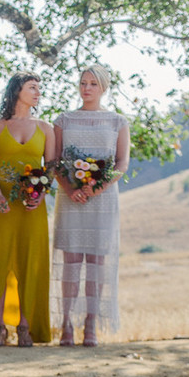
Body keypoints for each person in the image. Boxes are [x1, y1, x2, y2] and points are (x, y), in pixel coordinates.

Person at [0, 72, 54, 347]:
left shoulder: (46, 128)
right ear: (17, 91)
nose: (38, 92)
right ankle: (0, 327)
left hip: (32, 207)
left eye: (39, 88)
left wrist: (40, 194)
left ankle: (25, 326)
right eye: (32, 87)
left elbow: (50, 168)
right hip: (1, 204)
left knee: (30, 264)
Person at [52, 64, 130, 346]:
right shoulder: (63, 120)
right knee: (71, 262)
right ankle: (66, 324)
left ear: (103, 88)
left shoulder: (117, 122)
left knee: (97, 263)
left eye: (93, 84)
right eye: (83, 83)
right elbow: (55, 161)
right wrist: (71, 188)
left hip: (103, 200)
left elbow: (121, 163)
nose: (86, 88)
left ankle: (91, 324)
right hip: (71, 198)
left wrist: (98, 186)